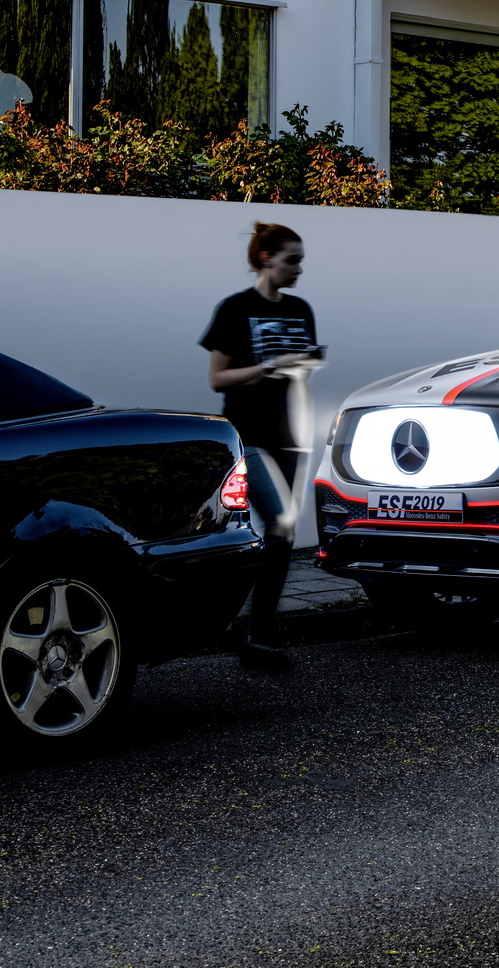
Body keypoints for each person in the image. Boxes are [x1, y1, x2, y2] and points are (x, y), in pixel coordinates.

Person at [200, 222, 320, 672]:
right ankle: (254, 631)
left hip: (292, 438)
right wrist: (270, 364)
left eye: (301, 261)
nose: (299, 269)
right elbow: (217, 378)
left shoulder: (301, 310)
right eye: (292, 260)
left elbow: (301, 373)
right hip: (248, 437)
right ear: (266, 258)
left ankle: (257, 632)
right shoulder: (235, 309)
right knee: (281, 521)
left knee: (280, 535)